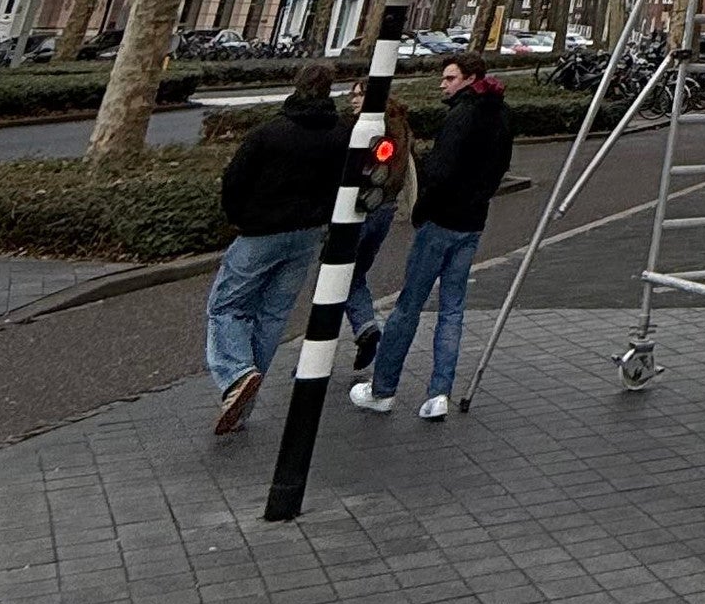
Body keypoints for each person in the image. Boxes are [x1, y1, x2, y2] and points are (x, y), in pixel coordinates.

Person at [351, 55, 512, 422]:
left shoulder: (460, 116)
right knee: (452, 310)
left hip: (440, 223)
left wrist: (422, 210)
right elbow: (501, 165)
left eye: (450, 78)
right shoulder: (502, 114)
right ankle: (439, 392)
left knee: (409, 306)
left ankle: (383, 389)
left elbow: (440, 169)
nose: (443, 84)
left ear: (470, 79)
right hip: (472, 224)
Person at [204, 60, 345, 433]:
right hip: (307, 234)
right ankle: (242, 405)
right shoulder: (342, 134)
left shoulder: (269, 134)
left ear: (295, 86)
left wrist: (240, 217)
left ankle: (237, 374)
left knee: (227, 307)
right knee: (272, 316)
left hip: (261, 232)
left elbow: (235, 181)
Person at [346, 96, 414, 374]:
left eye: (360, 94)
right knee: (355, 274)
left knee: (335, 277)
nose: (353, 100)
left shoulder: (369, 131)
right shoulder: (402, 129)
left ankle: (317, 352)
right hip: (385, 210)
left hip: (360, 210)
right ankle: (367, 328)